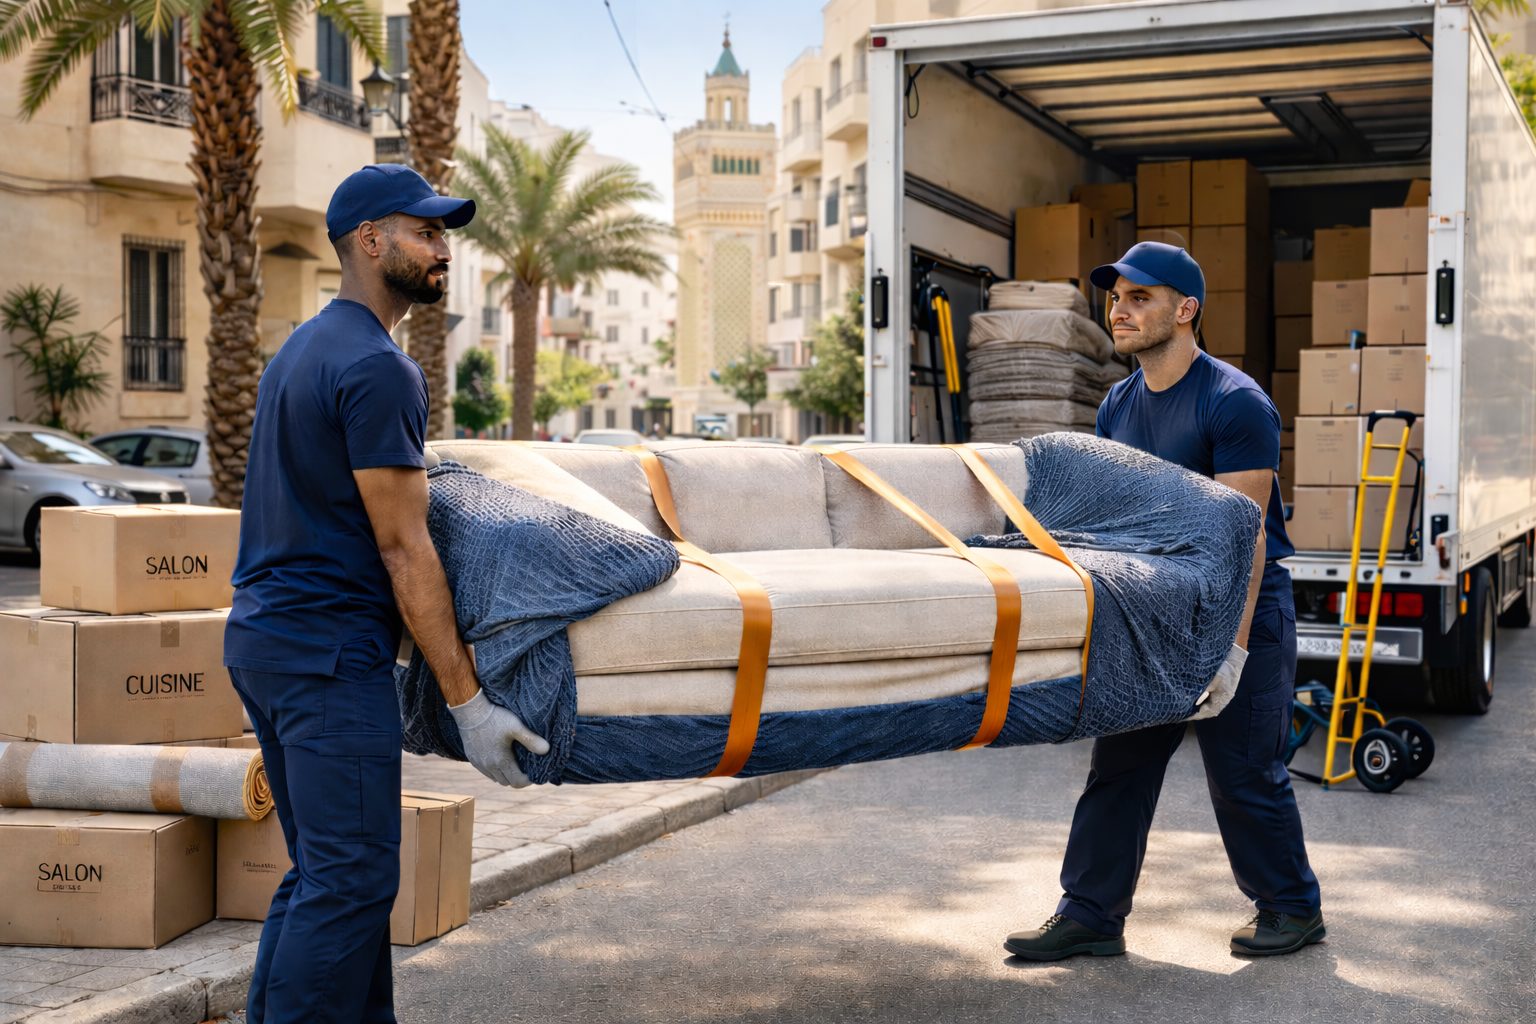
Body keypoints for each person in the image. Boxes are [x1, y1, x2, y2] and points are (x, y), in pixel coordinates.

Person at [224, 164, 550, 1023]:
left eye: (444, 234)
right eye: (426, 232)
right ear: (371, 242)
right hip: (328, 653)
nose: (443, 250)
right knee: (353, 879)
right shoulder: (377, 368)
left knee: (329, 874)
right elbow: (405, 550)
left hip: (268, 639)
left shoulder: (300, 350)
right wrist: (469, 703)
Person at [1004, 242, 1323, 961]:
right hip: (1153, 609)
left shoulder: (1236, 404)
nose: (1119, 309)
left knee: (1243, 773)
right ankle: (1090, 913)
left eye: (1139, 297)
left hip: (1239, 606)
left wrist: (1233, 654)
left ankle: (1292, 907)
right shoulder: (1118, 403)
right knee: (1120, 765)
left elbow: (1248, 542)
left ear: (1186, 310)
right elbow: (1114, 523)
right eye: (1116, 297)